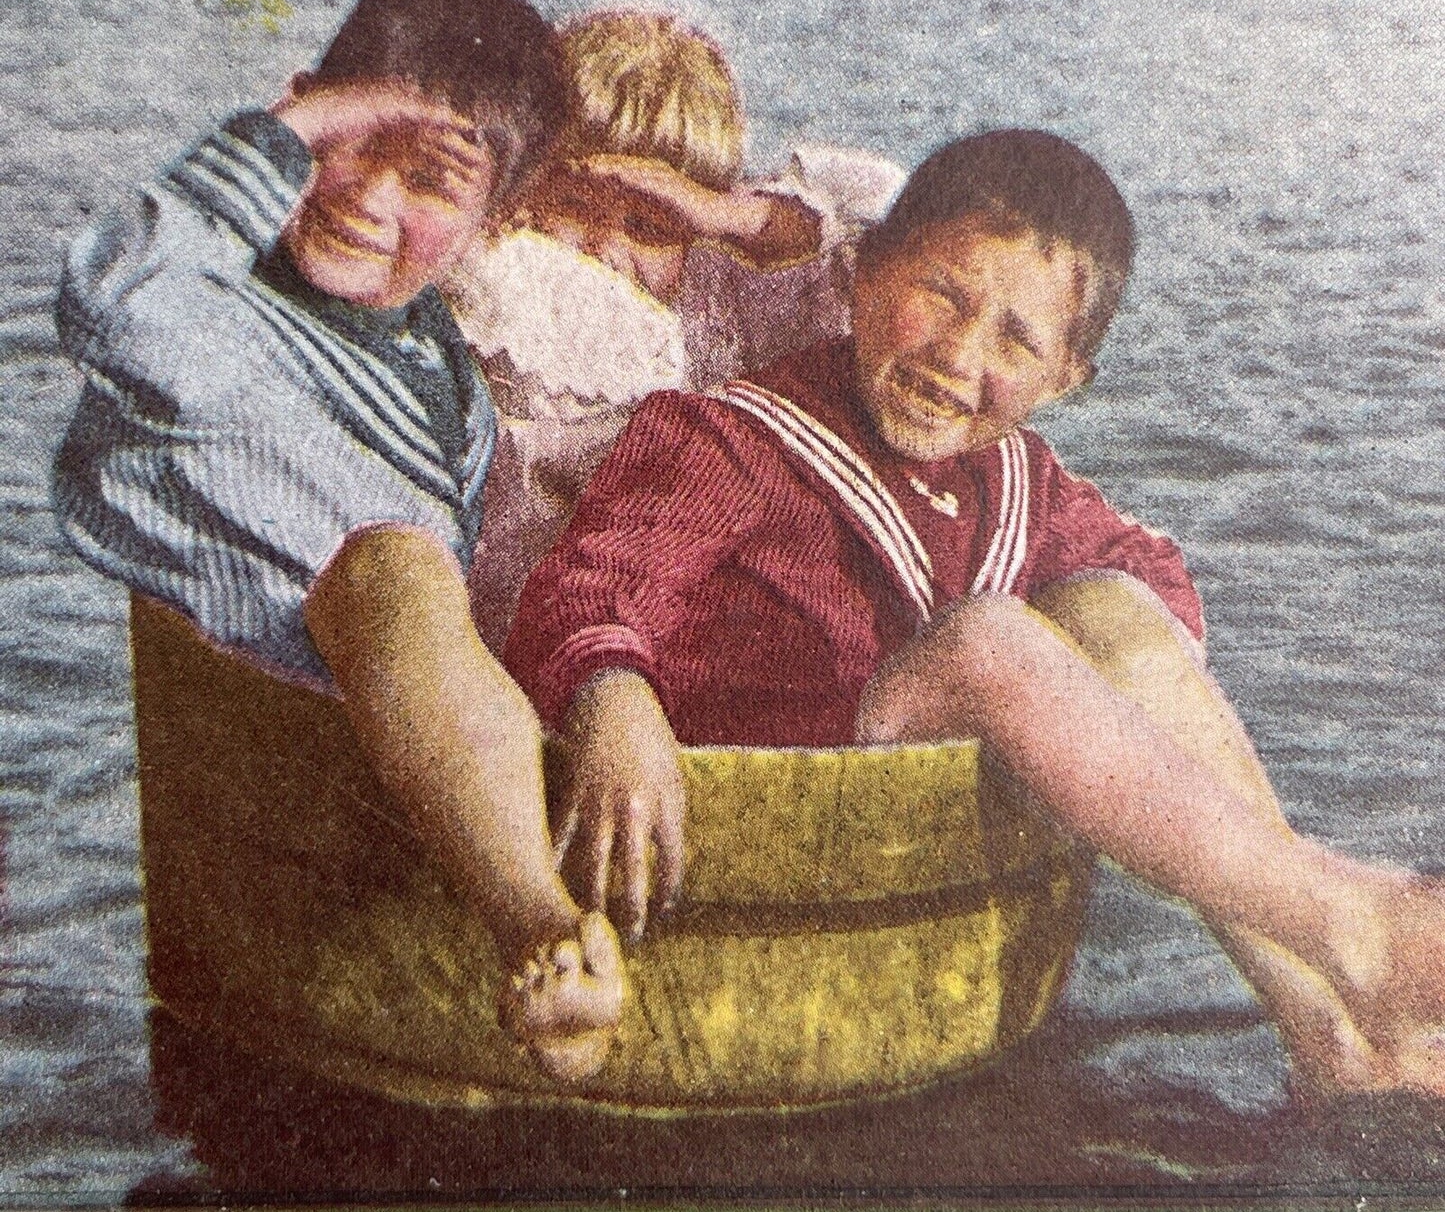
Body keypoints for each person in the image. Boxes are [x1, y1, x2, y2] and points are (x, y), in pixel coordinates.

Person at [506, 128, 1445, 1100]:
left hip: (908, 813)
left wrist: (1102, 674)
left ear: (1063, 380)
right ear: (864, 274)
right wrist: (613, 693)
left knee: (1111, 601)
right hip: (755, 793)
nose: (955, 355)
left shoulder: (1016, 475)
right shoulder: (726, 437)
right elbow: (590, 582)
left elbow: (1142, 579)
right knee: (990, 640)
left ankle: (1325, 1030)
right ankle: (1344, 918)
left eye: (1015, 340)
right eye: (939, 295)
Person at [52, 0, 627, 1082]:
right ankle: (533, 923)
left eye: (430, 180)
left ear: (493, 220)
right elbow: (106, 295)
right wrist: (299, 125)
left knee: (442, 581)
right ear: (296, 107)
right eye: (348, 139)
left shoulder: (435, 367)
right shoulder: (210, 302)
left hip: (404, 692)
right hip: (277, 643)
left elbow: (467, 546)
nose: (364, 193)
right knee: (394, 568)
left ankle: (533, 884)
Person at [442, 8, 905, 647]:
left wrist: (734, 219)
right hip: (489, 614)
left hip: (651, 624)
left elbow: (890, 212)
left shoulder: (719, 296)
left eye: (651, 228)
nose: (603, 250)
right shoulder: (489, 279)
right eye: (574, 207)